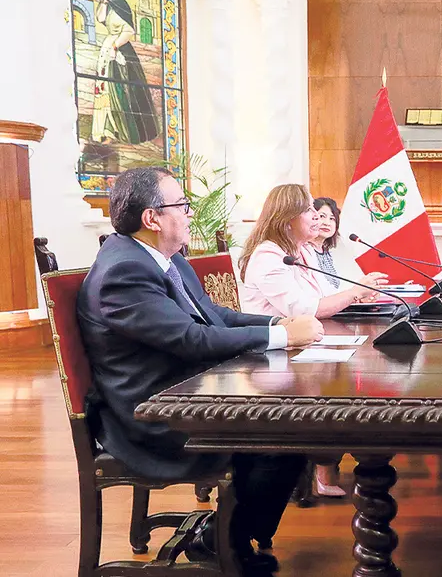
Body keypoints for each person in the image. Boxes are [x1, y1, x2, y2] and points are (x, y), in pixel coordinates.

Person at [77, 167, 324, 577]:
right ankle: (220, 542)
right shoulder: (124, 271)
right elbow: (190, 340)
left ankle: (226, 534)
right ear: (152, 218)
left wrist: (276, 326)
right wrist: (281, 339)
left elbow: (214, 317)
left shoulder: (162, 258)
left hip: (185, 392)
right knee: (282, 438)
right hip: (151, 416)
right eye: (182, 205)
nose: (191, 213)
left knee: (291, 428)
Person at [238, 184, 388, 319]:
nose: (316, 216)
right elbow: (302, 311)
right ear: (287, 221)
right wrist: (355, 292)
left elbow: (326, 295)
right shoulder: (267, 257)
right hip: (274, 344)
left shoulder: (305, 251)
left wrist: (358, 297)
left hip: (303, 337)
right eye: (308, 210)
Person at [306, 196, 347, 497]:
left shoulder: (325, 254)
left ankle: (341, 457)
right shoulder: (301, 252)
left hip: (322, 329)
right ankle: (324, 468)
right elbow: (316, 302)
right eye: (317, 216)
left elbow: (333, 293)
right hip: (302, 335)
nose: (324, 222)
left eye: (330, 218)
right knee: (334, 389)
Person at [90, 0, 159, 144]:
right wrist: (103, 2)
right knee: (103, 88)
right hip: (106, 51)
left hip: (121, 51)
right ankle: (106, 129)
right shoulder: (108, 5)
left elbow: (129, 31)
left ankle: (124, 129)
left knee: (121, 90)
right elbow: (100, 18)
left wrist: (115, 47)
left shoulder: (122, 5)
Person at [309, 197, 342, 288]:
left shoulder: (327, 254)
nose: (327, 223)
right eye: (322, 216)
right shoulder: (302, 251)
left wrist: (356, 297)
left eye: (332, 218)